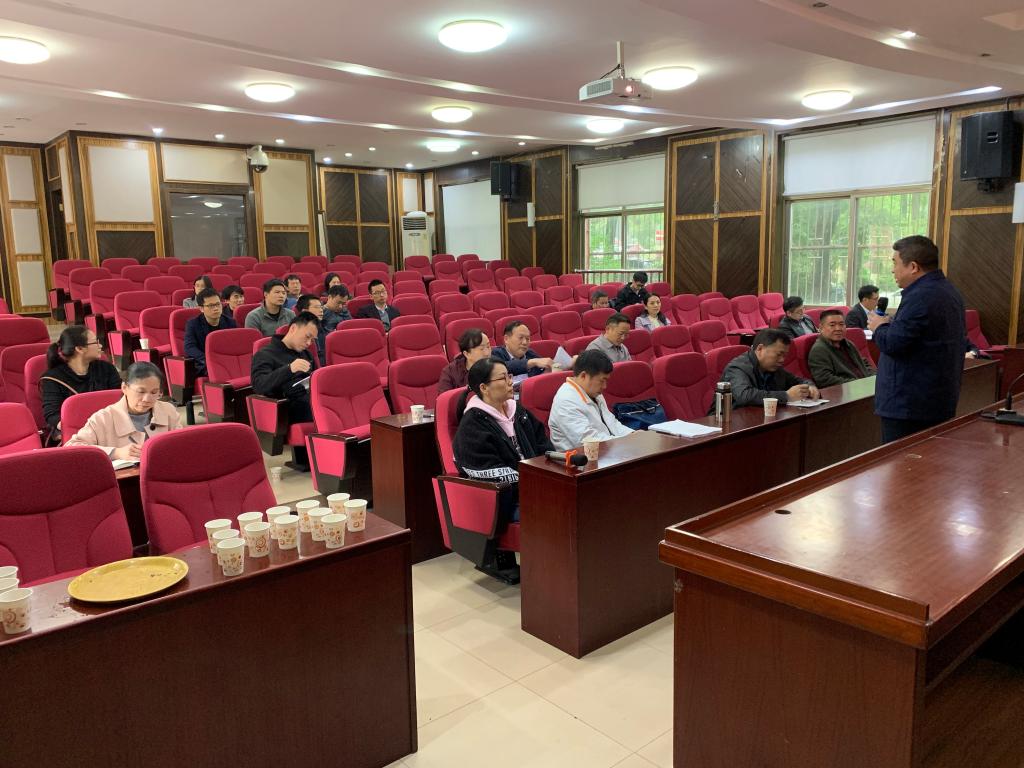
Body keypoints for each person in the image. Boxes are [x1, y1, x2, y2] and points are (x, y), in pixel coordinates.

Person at [452, 358, 551, 582]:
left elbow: (543, 445)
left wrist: (552, 474)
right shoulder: (472, 425)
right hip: (506, 500)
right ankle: (548, 577)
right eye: (503, 378)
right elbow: (485, 470)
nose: (510, 382)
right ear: (484, 388)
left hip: (535, 488)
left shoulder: (519, 411)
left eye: (510, 376)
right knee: (555, 513)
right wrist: (533, 482)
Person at [868, 235, 967, 443]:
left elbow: (894, 343)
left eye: (895, 263)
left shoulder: (919, 296)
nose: (892, 270)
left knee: (902, 461)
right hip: (937, 398)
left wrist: (879, 326)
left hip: (909, 405)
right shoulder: (948, 290)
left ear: (913, 267)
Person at [65, 362, 180, 460]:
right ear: (124, 388)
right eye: (141, 392)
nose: (147, 399)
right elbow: (71, 448)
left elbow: (181, 443)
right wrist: (116, 453)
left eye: (154, 392)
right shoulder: (103, 417)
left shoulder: (168, 410)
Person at [251, 312, 320, 469]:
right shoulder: (265, 354)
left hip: (309, 400)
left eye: (312, 340)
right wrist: (289, 369)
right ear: (293, 328)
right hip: (287, 407)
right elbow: (259, 385)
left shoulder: (306, 354)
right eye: (307, 337)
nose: (309, 343)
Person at [40, 325, 122, 442]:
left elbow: (120, 399)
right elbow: (52, 415)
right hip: (77, 434)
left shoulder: (107, 368)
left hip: (109, 428)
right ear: (79, 349)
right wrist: (84, 430)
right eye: (95, 342)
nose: (100, 346)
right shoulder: (52, 378)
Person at [548, 349, 633, 451]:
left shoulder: (592, 391)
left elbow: (612, 423)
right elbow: (589, 441)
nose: (605, 386)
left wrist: (633, 434)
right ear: (583, 376)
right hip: (582, 456)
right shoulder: (566, 401)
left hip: (607, 449)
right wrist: (625, 442)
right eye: (602, 381)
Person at [720, 329, 819, 408]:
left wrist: (809, 386)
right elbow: (745, 396)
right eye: (779, 354)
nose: (782, 360)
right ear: (760, 349)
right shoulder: (737, 368)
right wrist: (786, 396)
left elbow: (797, 380)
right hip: (729, 421)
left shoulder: (774, 367)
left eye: (785, 355)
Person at [807, 309, 875, 388]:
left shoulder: (848, 344)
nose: (838, 328)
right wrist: (858, 384)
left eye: (841, 324)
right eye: (832, 325)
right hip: (847, 391)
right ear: (821, 328)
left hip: (865, 387)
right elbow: (825, 379)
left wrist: (875, 377)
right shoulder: (819, 350)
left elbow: (864, 363)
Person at [184, 288, 237, 377]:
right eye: (211, 306)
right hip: (205, 363)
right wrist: (209, 359)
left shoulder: (230, 322)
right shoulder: (193, 324)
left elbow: (235, 346)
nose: (216, 308)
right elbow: (189, 348)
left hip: (227, 360)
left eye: (218, 304)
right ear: (201, 308)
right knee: (218, 372)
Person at [439, 328, 491, 393]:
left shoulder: (496, 365)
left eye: (488, 346)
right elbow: (445, 397)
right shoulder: (450, 372)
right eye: (481, 349)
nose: (487, 353)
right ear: (467, 354)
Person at [295, 294, 325, 363]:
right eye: (317, 307)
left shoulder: (320, 327)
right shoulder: (298, 333)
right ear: (305, 311)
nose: (321, 310)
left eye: (321, 307)